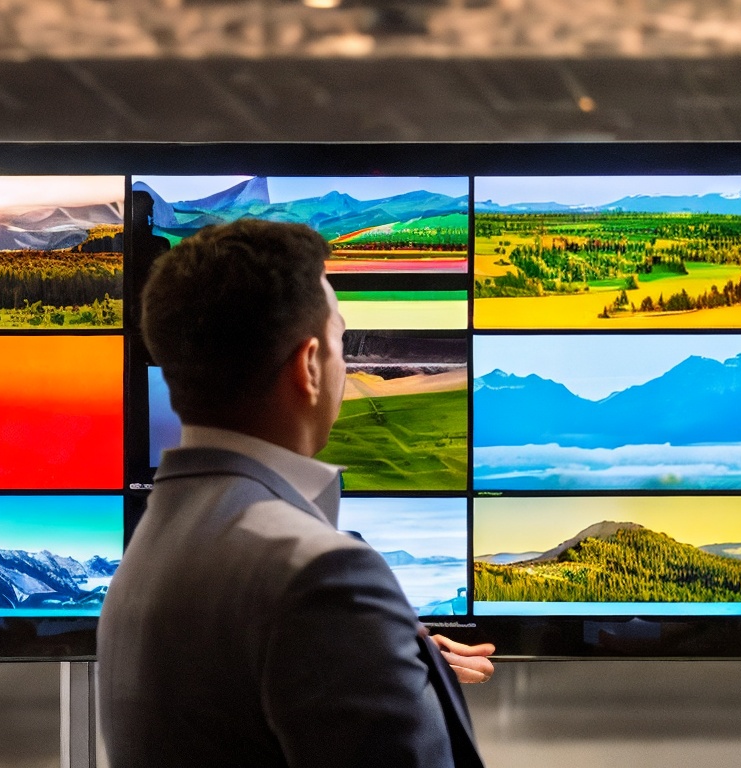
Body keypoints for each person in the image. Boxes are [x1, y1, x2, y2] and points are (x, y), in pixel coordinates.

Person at [98, 219, 494, 767]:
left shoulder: (155, 543)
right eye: (340, 340)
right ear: (309, 365)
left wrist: (390, 649)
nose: (345, 362)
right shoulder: (319, 575)